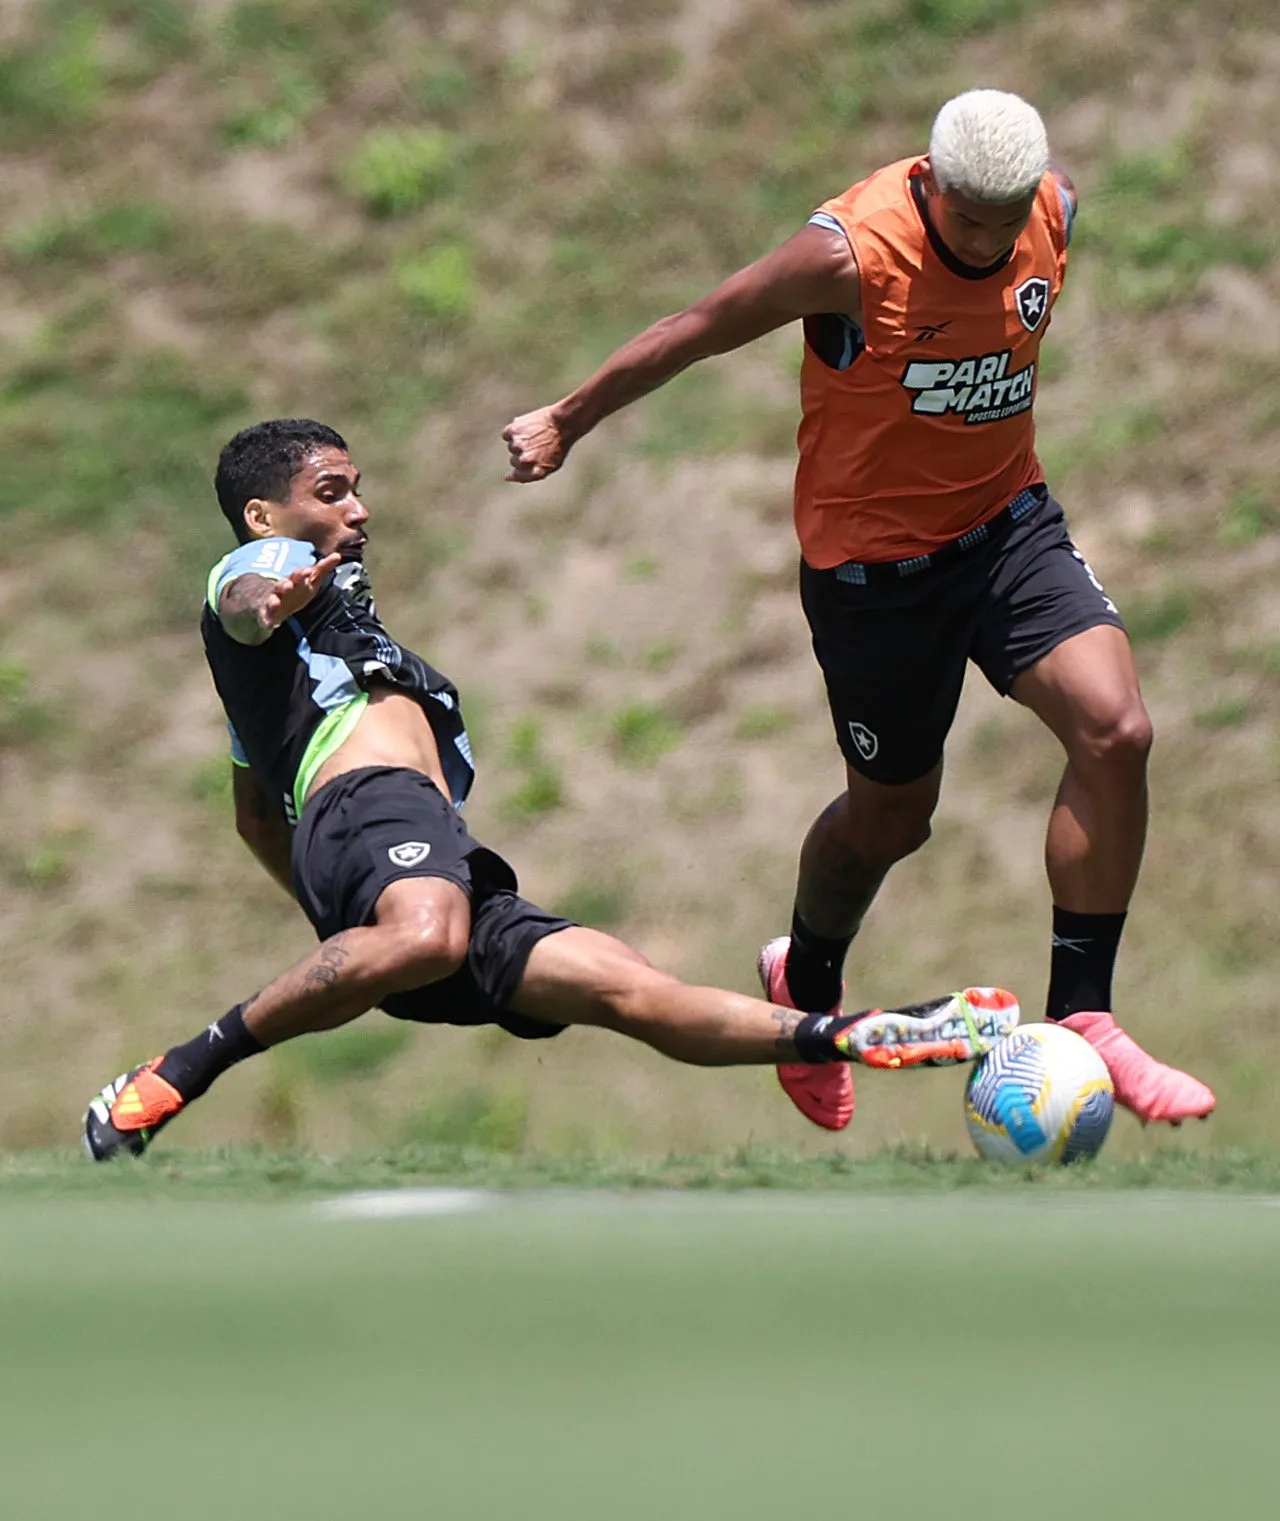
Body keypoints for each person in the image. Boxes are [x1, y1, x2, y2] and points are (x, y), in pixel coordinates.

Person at [501, 88, 1216, 1133]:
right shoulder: (844, 256)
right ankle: (808, 971)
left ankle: (1082, 1018)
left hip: (1008, 528)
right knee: (891, 817)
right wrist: (566, 420)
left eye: (1002, 220)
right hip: (873, 578)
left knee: (1117, 729)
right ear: (926, 183)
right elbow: (696, 327)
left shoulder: (1052, 211)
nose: (986, 239)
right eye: (966, 218)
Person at [82, 418, 1019, 1161]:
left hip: (425, 852)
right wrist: (266, 604)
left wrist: (344, 925)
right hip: (374, 819)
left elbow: (254, 816)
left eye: (359, 489)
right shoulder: (265, 573)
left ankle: (855, 1034)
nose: (359, 510)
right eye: (332, 492)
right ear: (262, 516)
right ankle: (183, 1068)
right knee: (424, 934)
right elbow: (246, 602)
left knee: (628, 989)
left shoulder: (293, 675)